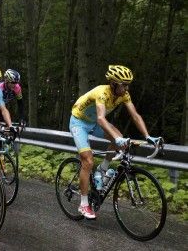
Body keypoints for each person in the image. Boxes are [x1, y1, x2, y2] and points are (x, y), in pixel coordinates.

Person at [69, 65, 162, 219]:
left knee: (120, 138)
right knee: (88, 161)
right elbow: (100, 118)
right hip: (79, 123)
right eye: (123, 85)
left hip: (94, 124)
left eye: (127, 85)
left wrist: (147, 136)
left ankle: (103, 168)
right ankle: (84, 204)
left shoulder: (124, 95)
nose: (126, 88)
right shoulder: (102, 92)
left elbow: (135, 116)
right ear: (113, 83)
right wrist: (116, 138)